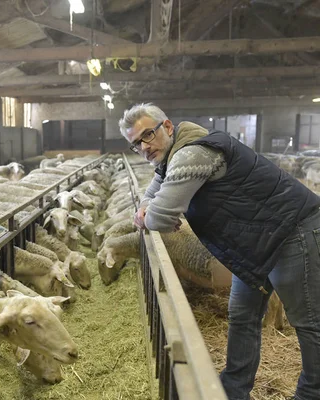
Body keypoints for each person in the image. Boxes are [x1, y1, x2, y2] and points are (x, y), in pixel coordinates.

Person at [119, 103, 320, 400]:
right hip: (254, 243)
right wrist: (148, 213)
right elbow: (151, 204)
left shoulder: (192, 154)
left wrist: (152, 214)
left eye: (148, 135)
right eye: (136, 143)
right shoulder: (170, 159)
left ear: (168, 127)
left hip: (291, 232)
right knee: (241, 315)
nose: (144, 147)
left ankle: (311, 393)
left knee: (307, 321)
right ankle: (234, 390)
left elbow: (158, 217)